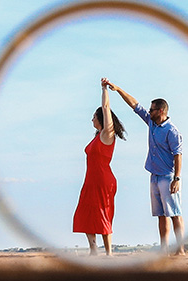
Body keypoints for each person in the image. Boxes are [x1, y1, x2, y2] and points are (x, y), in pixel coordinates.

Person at [102, 78, 184, 254]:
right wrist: (117, 89)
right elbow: (135, 105)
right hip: (154, 175)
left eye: (152, 109)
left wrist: (177, 178)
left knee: (175, 212)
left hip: (167, 176)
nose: (149, 111)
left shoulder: (172, 131)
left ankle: (181, 248)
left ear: (160, 111)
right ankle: (164, 249)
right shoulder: (152, 123)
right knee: (161, 214)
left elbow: (178, 155)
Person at [72, 79, 127, 255]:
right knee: (85, 211)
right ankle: (93, 249)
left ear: (101, 119)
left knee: (104, 213)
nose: (92, 119)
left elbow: (105, 108)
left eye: (94, 117)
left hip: (103, 180)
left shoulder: (107, 134)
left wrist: (104, 90)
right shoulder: (97, 136)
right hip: (90, 180)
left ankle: (109, 252)